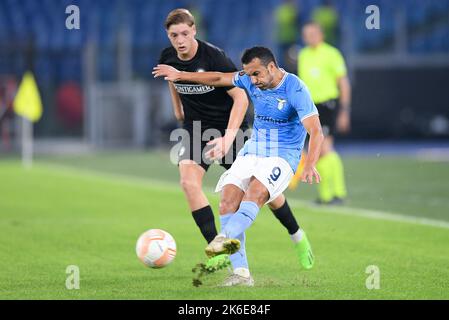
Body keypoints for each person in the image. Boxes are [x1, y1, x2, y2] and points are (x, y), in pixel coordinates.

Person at [153, 46, 324, 286]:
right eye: (248, 75)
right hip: (253, 150)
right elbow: (216, 78)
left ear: (272, 67)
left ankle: (226, 238)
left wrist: (310, 165)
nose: (252, 81)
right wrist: (181, 76)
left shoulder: (295, 88)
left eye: (256, 74)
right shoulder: (249, 79)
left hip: (282, 155)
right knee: (227, 199)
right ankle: (242, 274)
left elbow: (316, 131)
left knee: (254, 193)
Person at [290, 22, 351, 204]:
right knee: (316, 150)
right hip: (309, 107)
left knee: (324, 148)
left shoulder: (332, 54)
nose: (310, 37)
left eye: (313, 33)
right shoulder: (303, 55)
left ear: (321, 34)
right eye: (306, 34)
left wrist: (344, 110)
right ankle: (327, 195)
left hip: (326, 105)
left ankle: (338, 192)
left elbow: (343, 83)